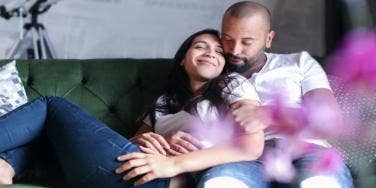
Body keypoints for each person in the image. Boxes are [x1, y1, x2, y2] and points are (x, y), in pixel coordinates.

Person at [0, 29, 266, 187]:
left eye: (219, 51)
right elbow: (129, 143)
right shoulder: (164, 101)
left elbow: (251, 147)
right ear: (183, 60)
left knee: (52, 105)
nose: (210, 53)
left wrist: (172, 164)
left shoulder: (231, 85)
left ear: (224, 65)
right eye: (200, 46)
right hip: (127, 168)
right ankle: (6, 169)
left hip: (157, 179)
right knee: (46, 135)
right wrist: (147, 138)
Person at [167, 1, 354, 188]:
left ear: (268, 39)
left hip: (305, 151)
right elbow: (176, 114)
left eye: (246, 42)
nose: (235, 50)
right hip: (239, 157)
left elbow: (331, 121)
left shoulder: (299, 62)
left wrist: (267, 114)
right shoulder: (211, 69)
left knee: (319, 183)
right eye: (227, 39)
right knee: (219, 183)